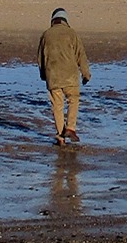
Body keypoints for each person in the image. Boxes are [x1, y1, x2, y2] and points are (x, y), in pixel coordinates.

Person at [37, 7, 91, 145]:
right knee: (73, 99)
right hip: (70, 76)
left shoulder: (46, 35)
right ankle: (71, 128)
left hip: (53, 76)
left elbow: (41, 58)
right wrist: (86, 74)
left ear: (53, 20)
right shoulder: (71, 33)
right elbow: (81, 55)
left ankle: (61, 136)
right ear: (65, 20)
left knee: (57, 105)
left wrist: (44, 75)